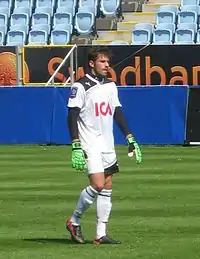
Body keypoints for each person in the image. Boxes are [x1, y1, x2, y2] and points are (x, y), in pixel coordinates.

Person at [66, 46, 142, 245]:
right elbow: (72, 115)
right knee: (98, 184)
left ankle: (101, 233)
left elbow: (117, 112)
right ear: (91, 63)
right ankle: (74, 220)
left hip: (107, 142)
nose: (107, 65)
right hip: (89, 142)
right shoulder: (80, 86)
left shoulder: (110, 85)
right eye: (103, 61)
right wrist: (75, 144)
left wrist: (130, 137)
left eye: (108, 62)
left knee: (107, 186)